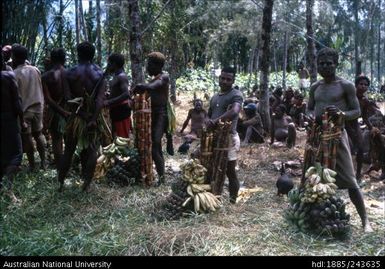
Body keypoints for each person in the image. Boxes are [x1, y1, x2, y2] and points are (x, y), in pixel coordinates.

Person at [307, 48, 373, 232]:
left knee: (351, 180)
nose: (325, 67)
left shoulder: (345, 86)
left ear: (336, 64)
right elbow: (309, 109)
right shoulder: (315, 87)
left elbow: (356, 111)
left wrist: (342, 114)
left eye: (329, 63)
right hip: (317, 136)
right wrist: (310, 117)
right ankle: (317, 220)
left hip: (337, 136)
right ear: (317, 65)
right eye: (321, 64)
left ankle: (365, 221)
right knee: (315, 178)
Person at [58, 41, 106, 192]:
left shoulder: (69, 72)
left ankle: (60, 183)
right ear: (92, 55)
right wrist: (92, 119)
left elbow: (68, 99)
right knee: (92, 150)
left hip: (76, 117)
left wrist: (81, 114)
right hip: (93, 117)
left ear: (78, 54)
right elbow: (100, 100)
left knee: (69, 149)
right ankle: (86, 185)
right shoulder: (99, 73)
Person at [207, 66, 243, 204]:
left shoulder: (236, 95)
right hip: (214, 137)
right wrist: (208, 123)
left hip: (228, 137)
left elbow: (234, 111)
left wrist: (215, 121)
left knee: (230, 171)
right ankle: (213, 197)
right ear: (219, 78)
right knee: (212, 167)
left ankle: (233, 201)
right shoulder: (215, 97)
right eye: (223, 78)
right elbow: (209, 115)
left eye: (228, 79)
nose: (225, 81)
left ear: (233, 80)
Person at [133, 52, 170, 185]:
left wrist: (143, 86)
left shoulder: (164, 77)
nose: (147, 67)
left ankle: (162, 178)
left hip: (161, 114)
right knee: (155, 146)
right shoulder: (153, 79)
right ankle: (159, 176)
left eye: (149, 64)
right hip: (151, 114)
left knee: (155, 144)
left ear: (157, 65)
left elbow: (154, 86)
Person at [12, 44, 47, 171]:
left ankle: (33, 166)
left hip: (24, 110)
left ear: (14, 57)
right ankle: (44, 163)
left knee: (27, 138)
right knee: (39, 135)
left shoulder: (15, 74)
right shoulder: (36, 70)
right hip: (38, 108)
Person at [1, 50, 27, 197]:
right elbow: (17, 102)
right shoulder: (7, 76)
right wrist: (22, 121)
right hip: (7, 119)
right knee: (16, 155)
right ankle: (8, 189)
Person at [41, 48, 71, 169]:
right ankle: (67, 165)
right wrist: (65, 111)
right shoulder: (69, 73)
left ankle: (60, 167)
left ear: (52, 59)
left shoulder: (46, 76)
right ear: (64, 59)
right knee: (69, 139)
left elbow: (48, 99)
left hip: (55, 111)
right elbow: (70, 96)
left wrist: (61, 111)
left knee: (57, 140)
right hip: (69, 111)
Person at [345, 75, 370, 180]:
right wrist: (348, 129)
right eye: (361, 84)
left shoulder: (365, 100)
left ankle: (358, 174)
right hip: (344, 123)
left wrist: (371, 127)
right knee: (347, 148)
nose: (363, 86)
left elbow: (364, 117)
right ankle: (345, 173)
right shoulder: (349, 97)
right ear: (356, 85)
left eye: (366, 85)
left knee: (360, 148)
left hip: (355, 124)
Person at [104, 53, 132, 138]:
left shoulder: (121, 76)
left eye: (109, 63)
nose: (108, 65)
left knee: (122, 139)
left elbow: (126, 94)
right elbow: (117, 92)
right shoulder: (116, 76)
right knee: (116, 137)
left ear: (114, 64)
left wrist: (109, 101)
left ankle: (124, 151)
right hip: (116, 110)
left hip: (121, 110)